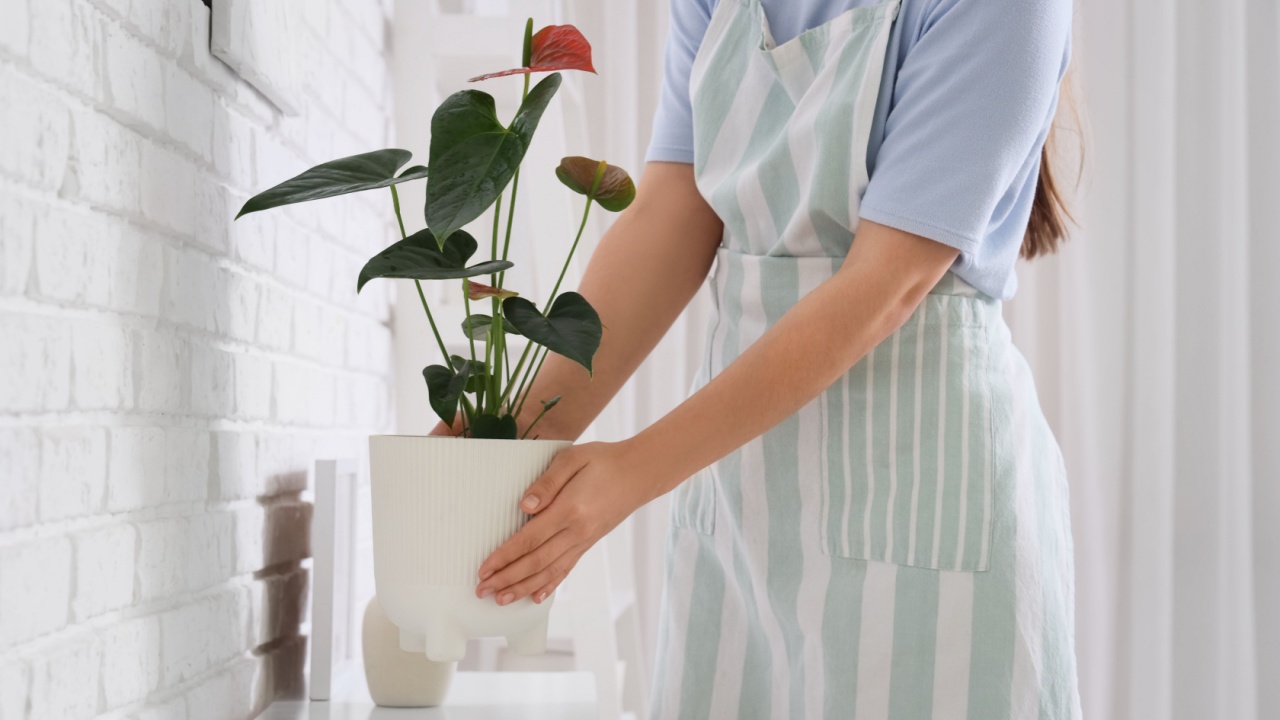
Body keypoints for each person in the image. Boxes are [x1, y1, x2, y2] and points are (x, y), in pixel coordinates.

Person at [460, 0, 1081, 716]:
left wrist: (631, 471)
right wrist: (511, 433)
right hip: (742, 499)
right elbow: (673, 214)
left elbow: (886, 284)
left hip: (923, 481)